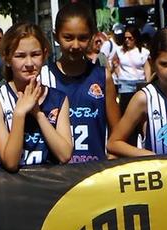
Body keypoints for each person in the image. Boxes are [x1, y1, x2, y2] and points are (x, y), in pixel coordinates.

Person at [0, 23, 74, 170]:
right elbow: (11, 162)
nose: (29, 63)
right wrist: (19, 114)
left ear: (45, 55)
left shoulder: (59, 99)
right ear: (7, 59)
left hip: (52, 189)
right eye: (20, 56)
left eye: (35, 55)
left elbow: (65, 154)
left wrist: (38, 114)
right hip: (12, 191)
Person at [42, 4, 113, 163]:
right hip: (57, 176)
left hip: (95, 175)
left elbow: (117, 134)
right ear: (56, 37)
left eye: (82, 38)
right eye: (68, 38)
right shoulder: (43, 78)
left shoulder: (103, 77)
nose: (75, 45)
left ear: (93, 37)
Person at [113, 25, 152, 101]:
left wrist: (148, 82)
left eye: (130, 38)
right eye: (125, 38)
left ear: (135, 38)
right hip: (125, 83)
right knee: (125, 105)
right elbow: (115, 63)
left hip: (139, 82)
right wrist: (119, 75)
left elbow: (147, 67)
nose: (127, 40)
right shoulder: (119, 50)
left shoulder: (144, 52)